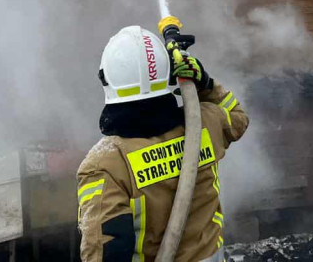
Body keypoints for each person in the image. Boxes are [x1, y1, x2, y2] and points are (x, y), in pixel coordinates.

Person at [76, 25, 248, 262]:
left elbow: (105, 250)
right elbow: (238, 116)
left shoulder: (105, 164)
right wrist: (205, 83)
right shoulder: (206, 122)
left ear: (107, 79)